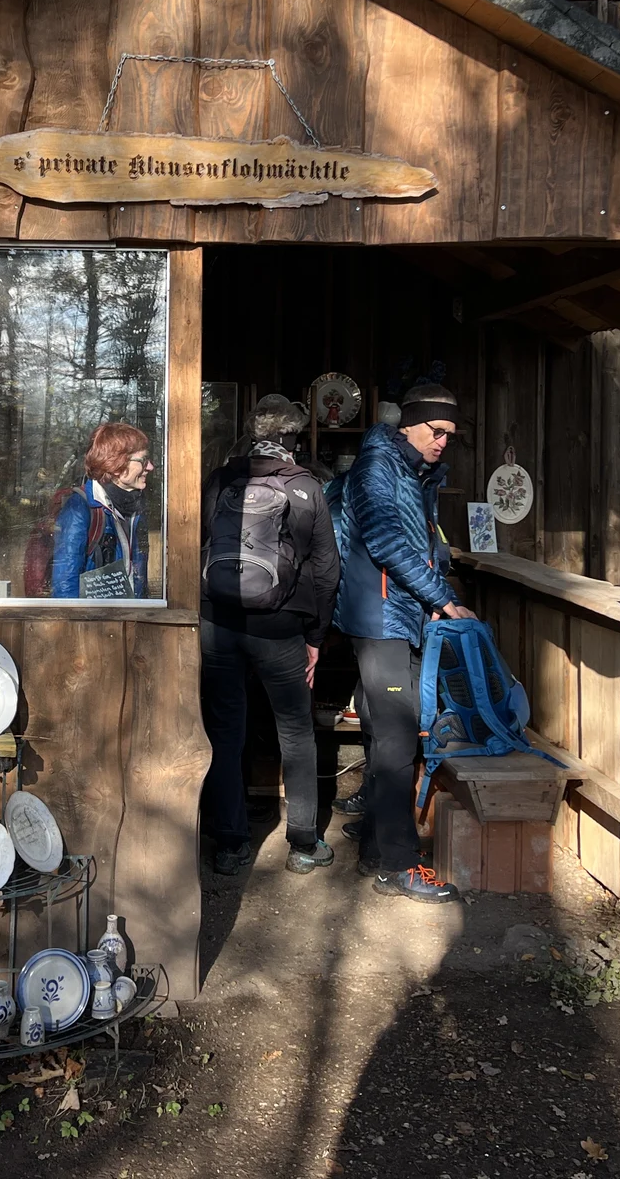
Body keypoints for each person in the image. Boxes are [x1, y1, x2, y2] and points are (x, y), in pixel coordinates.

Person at [334, 383, 472, 902]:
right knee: (395, 741)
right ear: (408, 425)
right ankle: (399, 863)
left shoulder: (410, 472)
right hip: (381, 619)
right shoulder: (379, 468)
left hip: (388, 617)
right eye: (435, 431)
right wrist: (444, 598)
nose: (442, 442)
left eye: (449, 436)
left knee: (381, 736)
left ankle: (374, 845)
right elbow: (387, 541)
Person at [199, 396, 342, 877]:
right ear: (292, 438)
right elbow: (326, 570)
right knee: (297, 732)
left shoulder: (219, 480)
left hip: (218, 625)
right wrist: (316, 637)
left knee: (224, 731)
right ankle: (303, 841)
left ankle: (229, 843)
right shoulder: (307, 486)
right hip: (281, 630)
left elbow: (200, 543)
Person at [50, 421, 153, 599]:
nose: (150, 467)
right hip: (95, 622)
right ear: (116, 464)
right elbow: (65, 588)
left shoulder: (136, 510)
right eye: (143, 460)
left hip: (129, 619)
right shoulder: (80, 508)